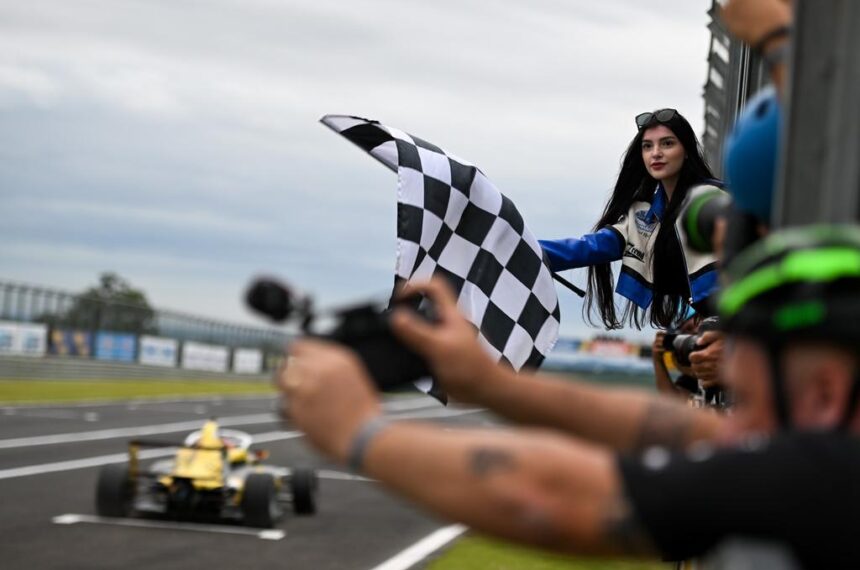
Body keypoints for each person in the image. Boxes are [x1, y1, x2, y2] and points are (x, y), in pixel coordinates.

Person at [280, 225, 860, 568]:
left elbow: (554, 498)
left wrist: (357, 431)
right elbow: (678, 432)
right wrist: (489, 383)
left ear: (825, 394)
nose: (726, 418)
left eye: (745, 397)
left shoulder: (832, 475)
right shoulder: (829, 450)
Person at [539, 110, 722, 330]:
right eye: (647, 146)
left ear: (686, 151)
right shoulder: (642, 216)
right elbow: (588, 248)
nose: (656, 153)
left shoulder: (713, 199)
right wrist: (518, 246)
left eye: (667, 144)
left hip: (749, 318)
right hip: (717, 327)